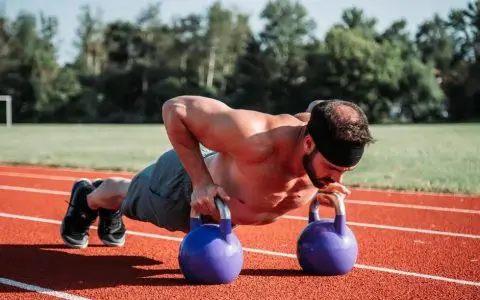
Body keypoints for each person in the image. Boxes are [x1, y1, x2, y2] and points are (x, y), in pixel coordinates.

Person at [60, 96, 374, 249]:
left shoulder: (320, 137)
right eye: (333, 170)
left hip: (223, 207)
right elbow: (176, 109)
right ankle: (89, 197)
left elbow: (319, 105)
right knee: (127, 197)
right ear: (308, 143)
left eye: (345, 171)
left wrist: (324, 179)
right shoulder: (255, 136)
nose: (338, 181)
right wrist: (200, 183)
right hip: (181, 190)